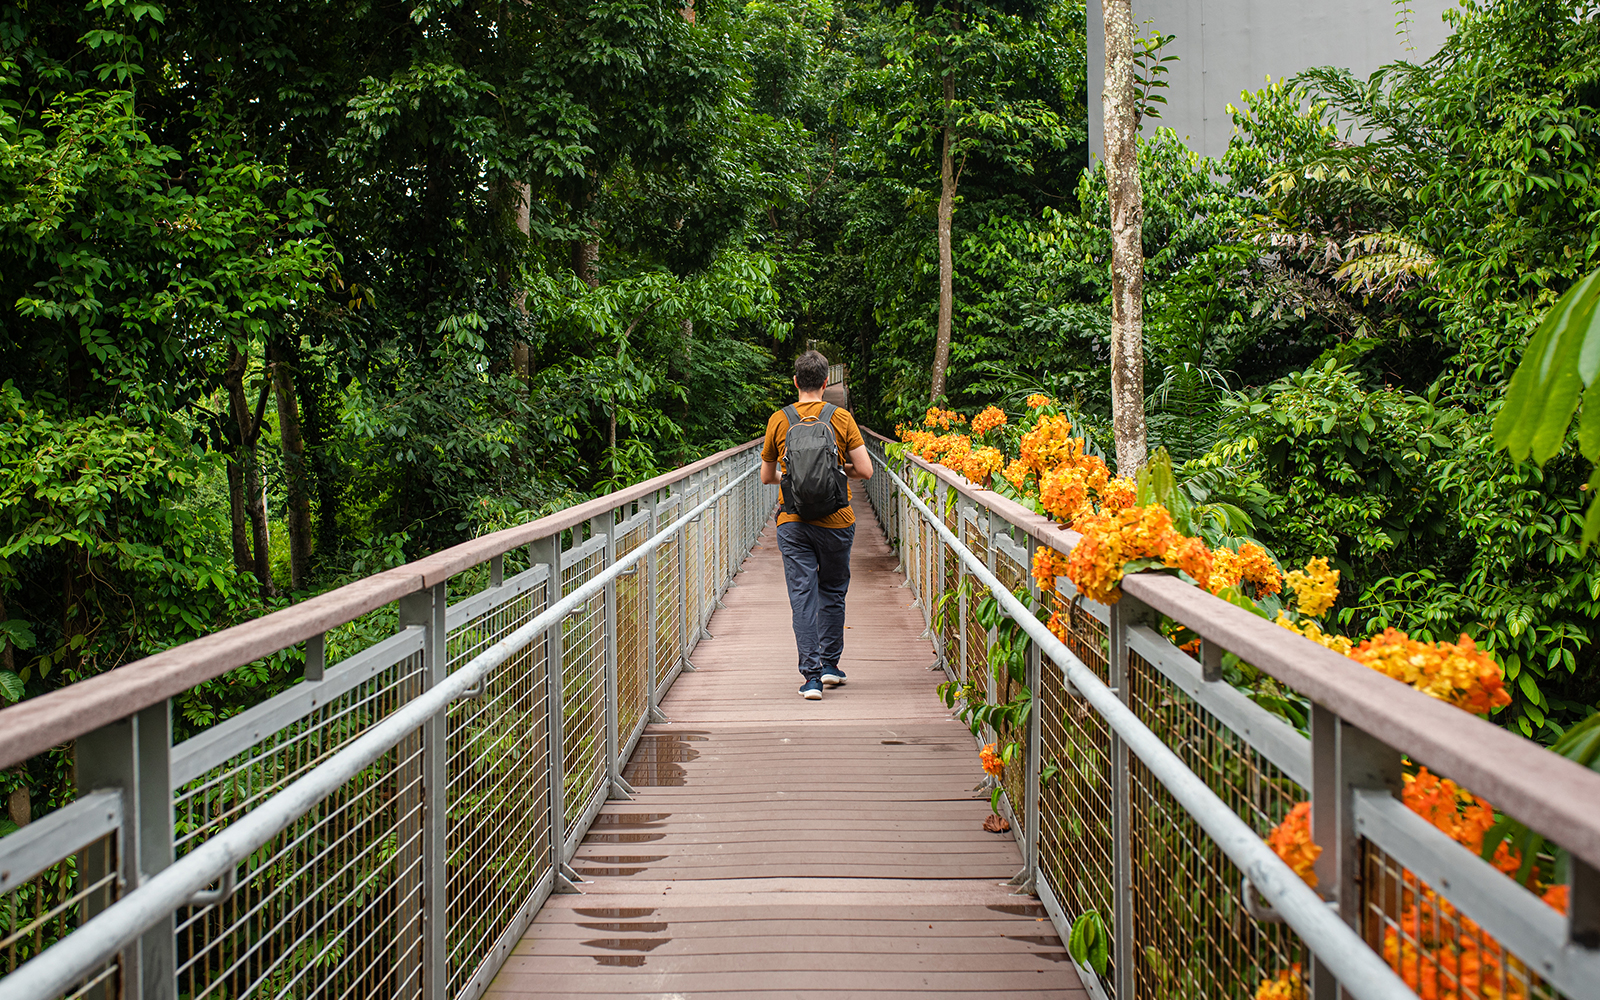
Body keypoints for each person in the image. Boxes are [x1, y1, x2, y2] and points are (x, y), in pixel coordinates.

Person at [761, 350, 874, 700]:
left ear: (795, 382)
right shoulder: (840, 417)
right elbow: (865, 471)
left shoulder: (779, 420)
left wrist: (793, 477)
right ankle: (829, 666)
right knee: (833, 591)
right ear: (827, 383)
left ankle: (810, 678)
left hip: (793, 522)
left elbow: (768, 477)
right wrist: (837, 472)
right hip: (837, 521)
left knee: (802, 596)